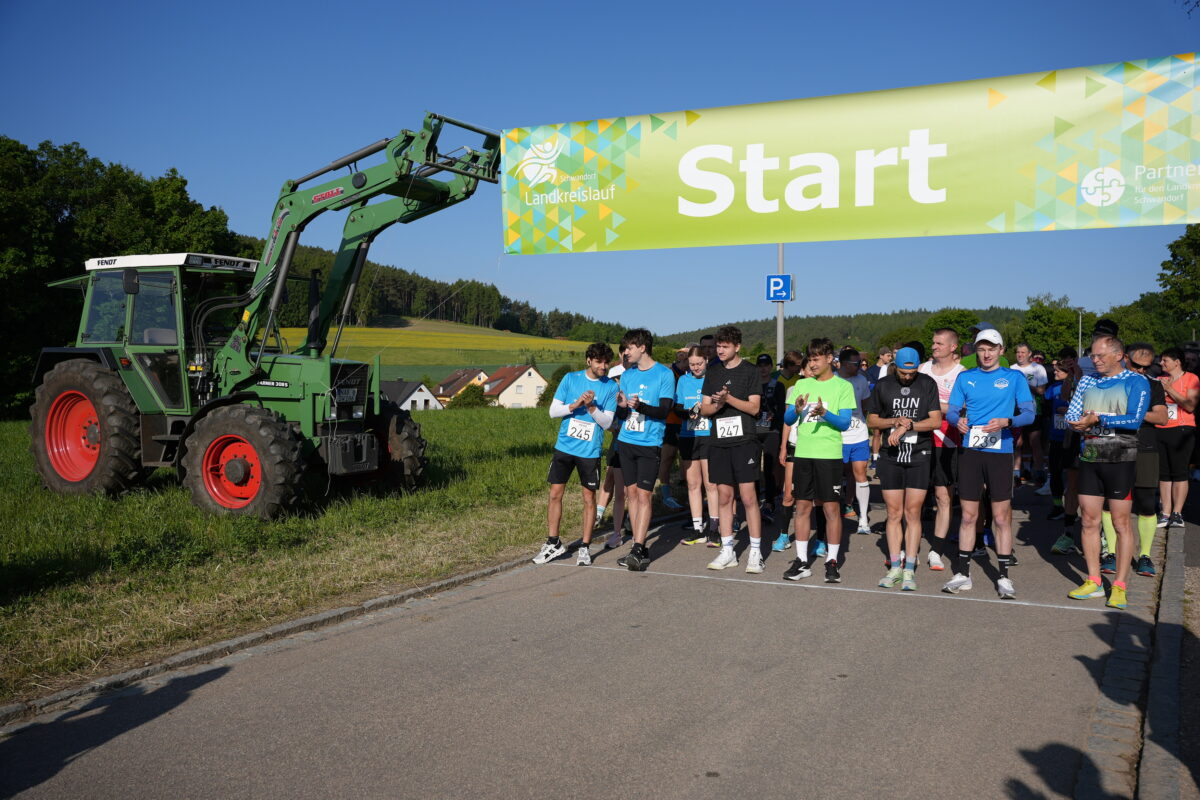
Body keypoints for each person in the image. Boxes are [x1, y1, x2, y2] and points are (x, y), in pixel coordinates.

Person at [943, 329, 1034, 598]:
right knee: (969, 515)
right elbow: (951, 409)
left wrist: (1009, 421)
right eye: (982, 349)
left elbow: (1029, 413)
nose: (986, 354)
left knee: (1001, 517)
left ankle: (1004, 577)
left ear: (1001, 351)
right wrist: (955, 420)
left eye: (991, 349)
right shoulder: (965, 377)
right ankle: (963, 573)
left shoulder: (1013, 377)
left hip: (1001, 449)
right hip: (971, 449)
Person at [1065, 335, 1150, 609]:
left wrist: (1099, 417)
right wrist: (1076, 424)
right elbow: (1071, 415)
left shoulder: (1136, 381)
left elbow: (1134, 420)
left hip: (1121, 458)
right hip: (1090, 456)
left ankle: (1121, 585)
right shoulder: (1088, 381)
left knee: (1121, 523)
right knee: (1089, 520)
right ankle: (1094, 581)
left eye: (1101, 356)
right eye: (1093, 356)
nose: (1095, 360)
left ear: (1118, 355)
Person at [533, 343, 619, 565]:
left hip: (589, 451)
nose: (603, 366)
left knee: (589, 497)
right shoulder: (570, 379)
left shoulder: (610, 387)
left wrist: (591, 408)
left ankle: (585, 547)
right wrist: (576, 404)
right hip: (564, 447)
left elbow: (608, 423)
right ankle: (553, 543)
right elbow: (553, 411)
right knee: (554, 494)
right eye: (599, 361)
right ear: (588, 360)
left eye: (606, 362)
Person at [866, 347, 942, 591]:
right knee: (893, 512)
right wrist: (894, 422)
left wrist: (910, 424)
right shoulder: (883, 385)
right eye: (903, 372)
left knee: (913, 512)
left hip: (919, 453)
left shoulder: (927, 384)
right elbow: (872, 420)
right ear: (895, 366)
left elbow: (936, 420)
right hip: (891, 455)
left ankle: (910, 568)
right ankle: (895, 566)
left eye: (912, 372)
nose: (908, 377)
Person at [781, 338, 856, 583]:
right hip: (803, 453)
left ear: (828, 359)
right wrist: (797, 409)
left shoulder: (842, 387)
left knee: (831, 508)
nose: (811, 363)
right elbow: (789, 418)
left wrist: (825, 413)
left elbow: (845, 422)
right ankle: (802, 561)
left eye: (815, 359)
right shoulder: (802, 383)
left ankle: (832, 561)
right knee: (801, 507)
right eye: (809, 359)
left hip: (829, 455)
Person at [612, 329, 678, 572]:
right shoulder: (627, 376)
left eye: (628, 347)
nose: (625, 352)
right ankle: (636, 547)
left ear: (642, 347)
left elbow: (664, 411)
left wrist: (641, 406)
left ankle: (639, 547)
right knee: (631, 494)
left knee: (644, 495)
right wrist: (622, 407)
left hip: (650, 443)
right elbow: (622, 413)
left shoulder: (664, 374)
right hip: (627, 440)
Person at [700, 326, 764, 573]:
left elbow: (754, 408)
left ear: (737, 347)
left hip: (745, 440)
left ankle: (756, 552)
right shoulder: (712, 371)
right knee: (724, 497)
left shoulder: (750, 371)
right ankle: (727, 550)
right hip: (718, 441)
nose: (720, 350)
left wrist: (729, 400)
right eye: (718, 346)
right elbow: (705, 409)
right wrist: (717, 404)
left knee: (748, 497)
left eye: (725, 346)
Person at [918, 328, 966, 571]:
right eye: (933, 342)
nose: (934, 346)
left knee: (943, 497)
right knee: (914, 498)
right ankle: (911, 546)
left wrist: (934, 405)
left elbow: (962, 408)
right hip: (920, 439)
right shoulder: (923, 370)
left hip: (947, 442)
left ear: (952, 347)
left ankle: (936, 549)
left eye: (939, 343)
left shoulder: (962, 374)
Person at [1124, 344, 1168, 577]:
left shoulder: (1153, 385)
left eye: (1146, 367)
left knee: (1147, 502)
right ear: (1124, 359)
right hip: (1115, 446)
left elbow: (1161, 417)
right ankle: (1111, 553)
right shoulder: (1113, 382)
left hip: (1146, 447)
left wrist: (1133, 414)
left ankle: (1145, 556)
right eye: (1136, 366)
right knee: (1112, 502)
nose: (1141, 371)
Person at [676, 347, 720, 546]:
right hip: (688, 435)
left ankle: (714, 529)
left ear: (706, 360)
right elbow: (677, 408)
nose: (695, 368)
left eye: (699, 364)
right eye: (692, 364)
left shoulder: (713, 378)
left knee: (711, 484)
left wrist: (705, 410)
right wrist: (688, 413)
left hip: (709, 435)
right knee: (693, 484)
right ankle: (697, 528)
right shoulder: (683, 380)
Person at [1156, 346, 1198, 529]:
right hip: (1161, 428)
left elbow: (1189, 405)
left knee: (1179, 472)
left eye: (1165, 360)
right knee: (1163, 473)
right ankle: (1165, 512)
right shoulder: (1159, 379)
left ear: (1177, 362)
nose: (1161, 363)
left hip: (1182, 429)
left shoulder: (1191, 378)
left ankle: (1177, 513)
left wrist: (1169, 390)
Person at [1044, 357, 1082, 555]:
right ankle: (1067, 531)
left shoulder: (1096, 378)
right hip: (1066, 437)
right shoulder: (1068, 383)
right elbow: (1060, 397)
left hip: (1094, 440)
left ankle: (1104, 540)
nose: (1055, 372)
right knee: (1066, 480)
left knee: (1097, 492)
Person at [773, 351, 807, 552]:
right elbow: (787, 420)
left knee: (813, 498)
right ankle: (783, 535)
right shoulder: (793, 388)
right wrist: (783, 446)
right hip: (795, 445)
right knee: (788, 494)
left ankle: (820, 539)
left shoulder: (827, 389)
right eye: (806, 367)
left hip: (816, 447)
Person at [838, 347, 873, 534]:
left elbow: (866, 404)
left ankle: (863, 519)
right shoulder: (833, 380)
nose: (860, 366)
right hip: (837, 436)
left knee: (860, 471)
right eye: (855, 363)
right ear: (843, 364)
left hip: (858, 434)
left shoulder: (861, 379)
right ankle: (834, 514)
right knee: (838, 475)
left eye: (860, 363)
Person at [1011, 342, 1049, 486]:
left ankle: (1038, 472)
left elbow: (1041, 391)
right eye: (1018, 352)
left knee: (1034, 442)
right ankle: (1017, 473)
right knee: (1018, 443)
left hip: (1034, 410)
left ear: (1029, 354)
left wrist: (1024, 385)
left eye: (1023, 352)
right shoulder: (1011, 369)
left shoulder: (1038, 369)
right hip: (1015, 411)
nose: (1020, 355)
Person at [755, 353, 787, 521]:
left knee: (769, 469)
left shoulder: (778, 386)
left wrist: (773, 416)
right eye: (760, 365)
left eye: (767, 365)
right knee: (752, 470)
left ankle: (769, 503)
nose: (763, 368)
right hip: (753, 431)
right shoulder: (751, 385)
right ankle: (753, 503)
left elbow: (782, 411)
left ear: (771, 366)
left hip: (771, 432)